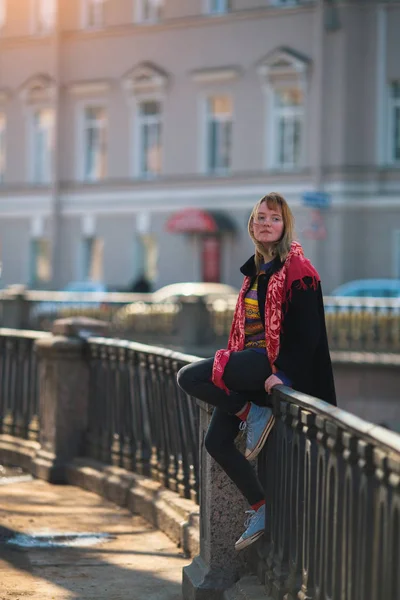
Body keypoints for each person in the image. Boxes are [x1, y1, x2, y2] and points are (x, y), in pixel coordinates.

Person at [177, 192, 336, 552]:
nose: (266, 223)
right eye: (260, 217)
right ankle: (261, 507)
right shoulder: (256, 271)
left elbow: (310, 334)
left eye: (274, 218)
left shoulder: (299, 269)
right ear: (252, 224)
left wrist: (286, 375)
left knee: (190, 376)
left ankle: (252, 413)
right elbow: (249, 327)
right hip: (250, 360)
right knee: (216, 441)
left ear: (285, 225)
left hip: (271, 363)